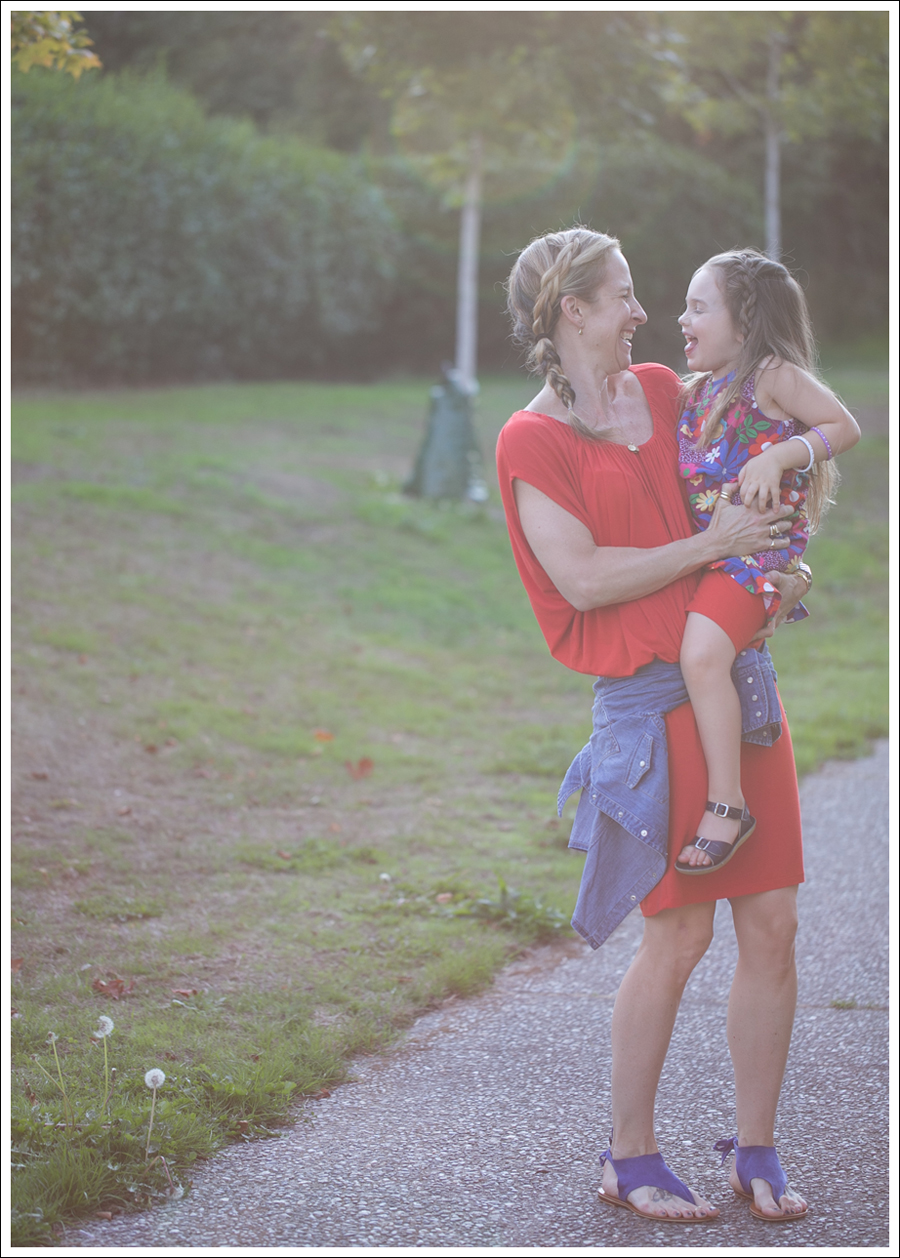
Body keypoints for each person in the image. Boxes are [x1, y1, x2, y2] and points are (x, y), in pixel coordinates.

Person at [496, 226, 815, 1222]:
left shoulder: (672, 392)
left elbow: (765, 473)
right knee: (675, 937)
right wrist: (709, 542)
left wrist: (776, 565)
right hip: (647, 705)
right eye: (625, 295)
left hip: (738, 686)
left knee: (774, 926)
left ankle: (754, 1149)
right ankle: (628, 1154)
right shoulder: (530, 438)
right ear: (571, 310)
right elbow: (583, 579)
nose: (644, 314)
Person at [674, 251, 860, 873]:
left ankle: (728, 805)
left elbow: (843, 424)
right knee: (705, 658)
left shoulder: (771, 374)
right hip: (715, 560)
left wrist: (782, 458)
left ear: (746, 325)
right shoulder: (700, 392)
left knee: (701, 656)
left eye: (699, 307)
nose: (682, 318)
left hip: (755, 558)